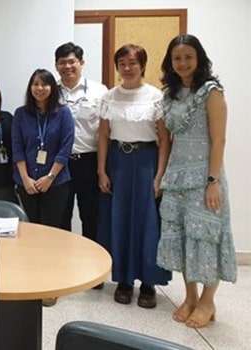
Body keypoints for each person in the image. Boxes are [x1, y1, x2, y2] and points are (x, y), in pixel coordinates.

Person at [157, 34, 236, 329]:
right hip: (177, 177)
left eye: (188, 57)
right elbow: (165, 141)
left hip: (205, 177)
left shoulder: (211, 92)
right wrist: (160, 175)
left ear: (199, 58)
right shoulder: (169, 94)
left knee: (206, 238)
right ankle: (189, 297)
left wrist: (212, 181)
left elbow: (219, 140)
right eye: (177, 58)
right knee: (182, 239)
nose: (183, 63)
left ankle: (207, 301)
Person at [96, 44, 171, 308]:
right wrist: (101, 170)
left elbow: (164, 138)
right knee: (119, 220)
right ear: (117, 67)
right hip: (118, 162)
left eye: (132, 63)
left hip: (146, 162)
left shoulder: (155, 97)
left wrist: (160, 175)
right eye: (122, 64)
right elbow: (103, 136)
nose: (127, 68)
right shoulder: (109, 96)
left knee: (147, 221)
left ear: (142, 65)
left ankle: (148, 283)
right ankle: (124, 281)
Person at [11, 69, 75, 306]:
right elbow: (17, 147)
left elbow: (65, 148)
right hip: (26, 182)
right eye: (35, 84)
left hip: (56, 183)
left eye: (45, 84)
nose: (40, 88)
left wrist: (49, 177)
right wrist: (25, 178)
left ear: (52, 88)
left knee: (51, 234)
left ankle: (51, 284)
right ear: (30, 87)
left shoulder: (63, 113)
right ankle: (32, 279)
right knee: (31, 234)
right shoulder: (21, 114)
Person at [54, 42, 109, 248]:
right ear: (56, 65)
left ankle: (93, 275)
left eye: (72, 62)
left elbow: (106, 130)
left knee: (91, 218)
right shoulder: (51, 92)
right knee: (60, 218)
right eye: (62, 62)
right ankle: (62, 273)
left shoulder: (99, 90)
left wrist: (103, 169)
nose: (67, 66)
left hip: (88, 162)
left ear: (81, 63)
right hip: (59, 164)